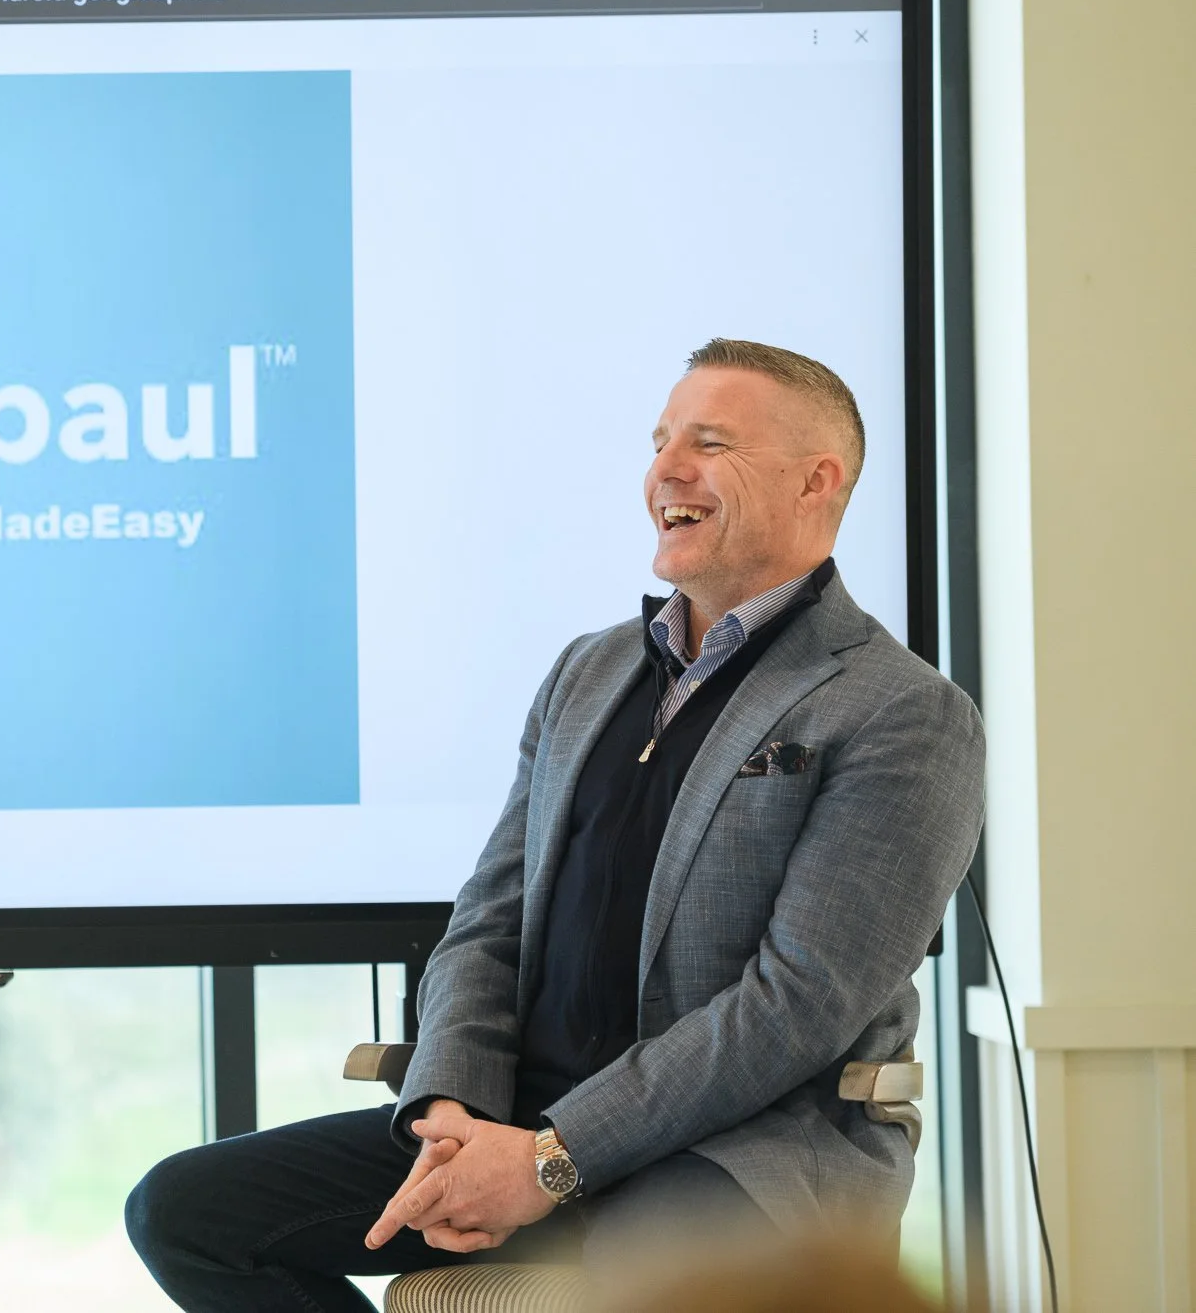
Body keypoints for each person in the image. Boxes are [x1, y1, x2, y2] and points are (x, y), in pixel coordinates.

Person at [124, 339, 984, 1311]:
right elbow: (486, 919)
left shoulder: (902, 713)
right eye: (660, 440)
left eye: (709, 442)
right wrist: (451, 1108)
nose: (664, 468)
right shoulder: (587, 670)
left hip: (739, 1152)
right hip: (511, 1122)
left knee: (643, 1285)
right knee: (183, 1211)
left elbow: (791, 1008)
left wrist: (549, 1158)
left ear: (815, 480)